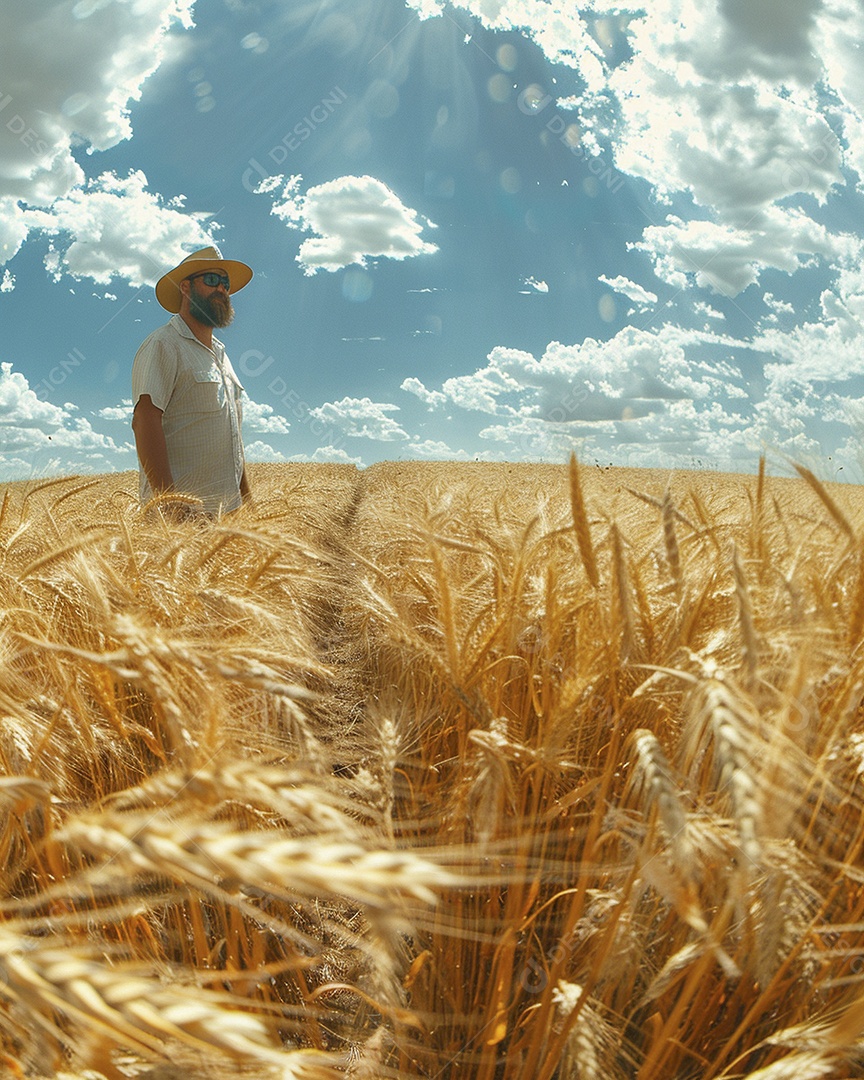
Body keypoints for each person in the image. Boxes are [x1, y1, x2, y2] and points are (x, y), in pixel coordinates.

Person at [131, 245, 254, 519]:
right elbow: (145, 419)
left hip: (227, 518)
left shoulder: (222, 356)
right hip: (181, 523)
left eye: (225, 282)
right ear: (185, 288)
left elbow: (233, 438)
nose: (221, 289)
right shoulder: (163, 344)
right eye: (211, 280)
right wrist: (172, 506)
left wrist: (247, 504)